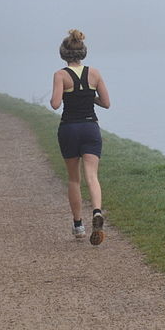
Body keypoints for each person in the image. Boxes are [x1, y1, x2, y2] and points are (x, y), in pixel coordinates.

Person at [50, 29, 111, 245]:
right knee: (92, 176)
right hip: (90, 127)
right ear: (83, 52)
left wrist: (68, 93)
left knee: (74, 178)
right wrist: (89, 96)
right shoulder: (95, 73)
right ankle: (96, 211)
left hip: (69, 128)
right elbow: (106, 103)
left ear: (64, 54)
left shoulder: (60, 75)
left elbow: (56, 103)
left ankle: (78, 225)